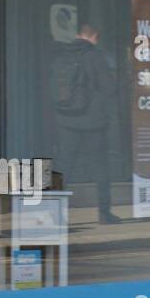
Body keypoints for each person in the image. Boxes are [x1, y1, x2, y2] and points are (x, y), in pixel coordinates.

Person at [51, 20, 120, 223]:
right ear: (94, 35)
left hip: (66, 120)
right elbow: (109, 88)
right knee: (100, 167)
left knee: (63, 167)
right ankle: (104, 213)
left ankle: (55, 212)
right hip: (93, 123)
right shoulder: (96, 56)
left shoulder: (61, 54)